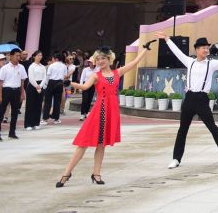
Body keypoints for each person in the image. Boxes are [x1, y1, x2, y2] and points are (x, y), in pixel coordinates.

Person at [55, 44, 152, 188]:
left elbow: (134, 62)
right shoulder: (95, 75)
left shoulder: (117, 73)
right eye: (98, 59)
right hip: (99, 110)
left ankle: (96, 174)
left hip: (111, 111)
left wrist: (145, 50)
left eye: (103, 58)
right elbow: (84, 87)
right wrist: (70, 83)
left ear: (109, 59)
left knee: (101, 144)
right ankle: (66, 173)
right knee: (83, 143)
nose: (100, 61)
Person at [159, 32, 218, 168]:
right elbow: (177, 52)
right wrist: (167, 40)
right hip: (189, 97)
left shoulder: (211, 64)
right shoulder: (189, 62)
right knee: (182, 130)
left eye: (207, 48)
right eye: (203, 47)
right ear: (197, 49)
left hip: (202, 99)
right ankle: (176, 159)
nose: (206, 50)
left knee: (212, 128)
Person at [0, 49, 27, 140]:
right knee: (1, 112)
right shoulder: (5, 68)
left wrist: (22, 94)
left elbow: (22, 82)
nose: (18, 57)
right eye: (17, 55)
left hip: (16, 91)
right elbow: (0, 83)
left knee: (15, 113)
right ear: (11, 56)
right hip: (6, 91)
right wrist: (0, 96)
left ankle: (12, 132)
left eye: (19, 56)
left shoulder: (21, 67)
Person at [44, 53, 68, 124]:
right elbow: (65, 76)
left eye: (53, 58)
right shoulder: (64, 66)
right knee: (57, 101)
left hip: (51, 82)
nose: (52, 59)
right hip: (60, 83)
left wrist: (46, 83)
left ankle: (45, 119)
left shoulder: (51, 65)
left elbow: (48, 75)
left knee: (47, 101)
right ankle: (56, 119)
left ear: (56, 58)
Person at [25, 51, 47, 130]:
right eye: (38, 55)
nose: (40, 57)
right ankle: (28, 124)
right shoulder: (31, 66)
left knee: (38, 105)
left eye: (41, 55)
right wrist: (36, 86)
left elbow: (45, 77)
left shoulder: (42, 67)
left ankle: (36, 123)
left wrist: (40, 86)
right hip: (32, 86)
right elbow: (31, 78)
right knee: (30, 105)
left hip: (40, 85)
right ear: (34, 56)